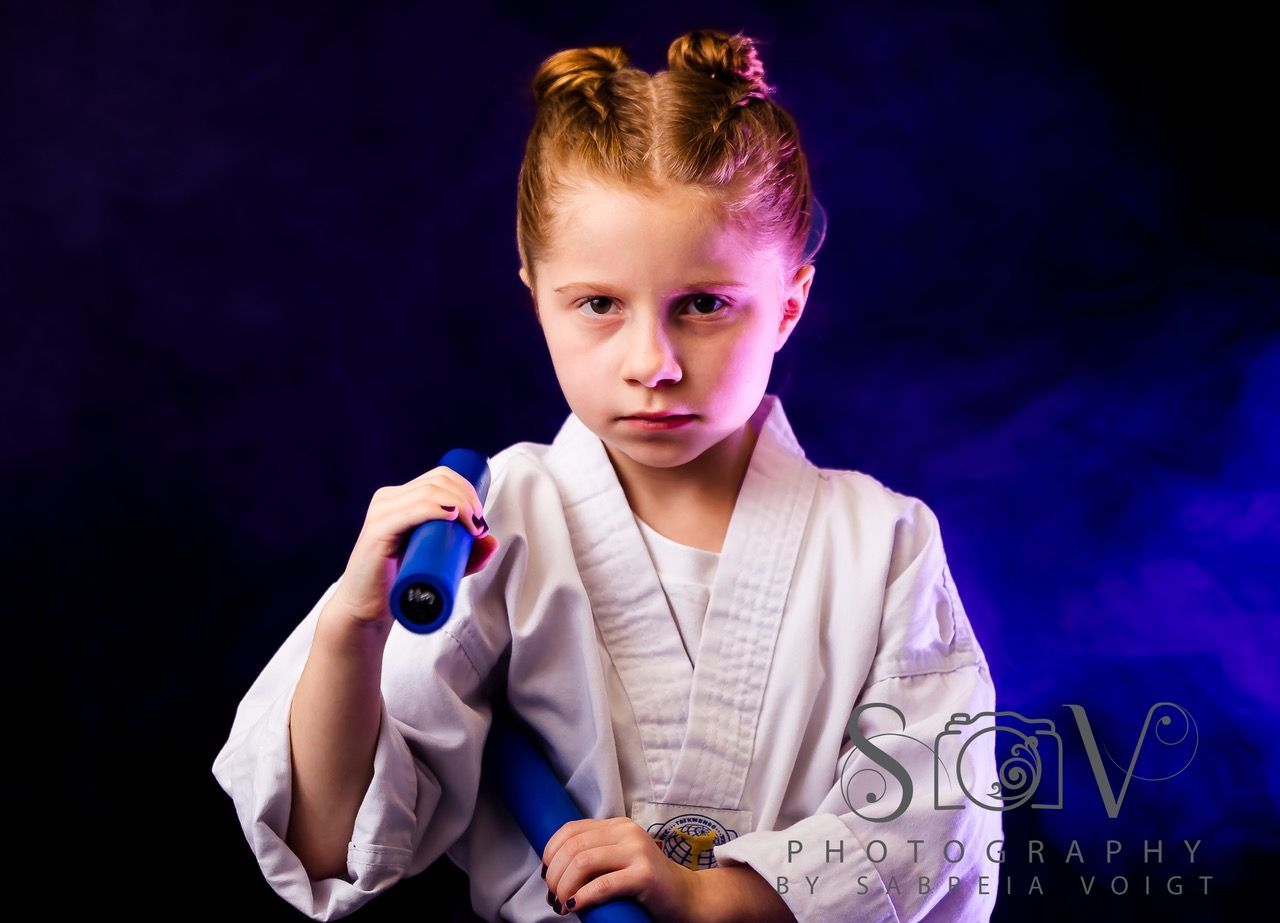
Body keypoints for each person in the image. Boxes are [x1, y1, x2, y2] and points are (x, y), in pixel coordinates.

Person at [212, 28, 1002, 923]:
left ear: (788, 303)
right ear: (535, 295)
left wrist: (711, 895)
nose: (651, 362)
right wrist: (354, 622)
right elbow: (327, 839)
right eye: (597, 304)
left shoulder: (883, 541)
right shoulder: (495, 522)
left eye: (703, 305)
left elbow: (934, 819)